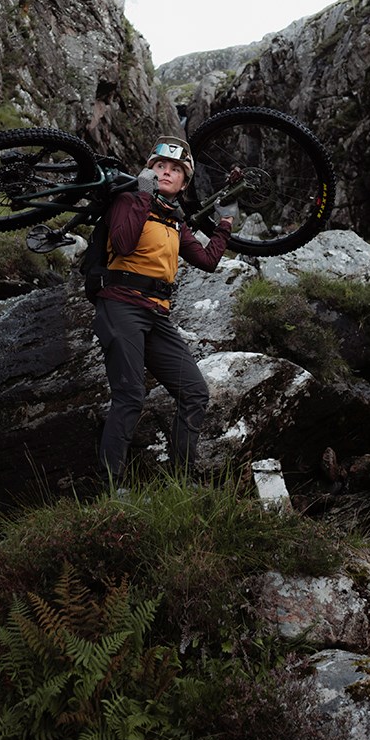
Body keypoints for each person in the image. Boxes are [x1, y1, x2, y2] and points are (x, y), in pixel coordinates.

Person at [93, 135, 232, 481]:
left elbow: (207, 260)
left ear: (184, 181)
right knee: (129, 395)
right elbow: (123, 244)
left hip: (156, 314)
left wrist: (226, 224)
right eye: (159, 166)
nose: (166, 172)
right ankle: (110, 489)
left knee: (195, 392)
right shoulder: (128, 200)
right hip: (120, 305)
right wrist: (142, 193)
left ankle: (181, 482)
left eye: (175, 169)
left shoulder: (174, 220)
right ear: (148, 170)